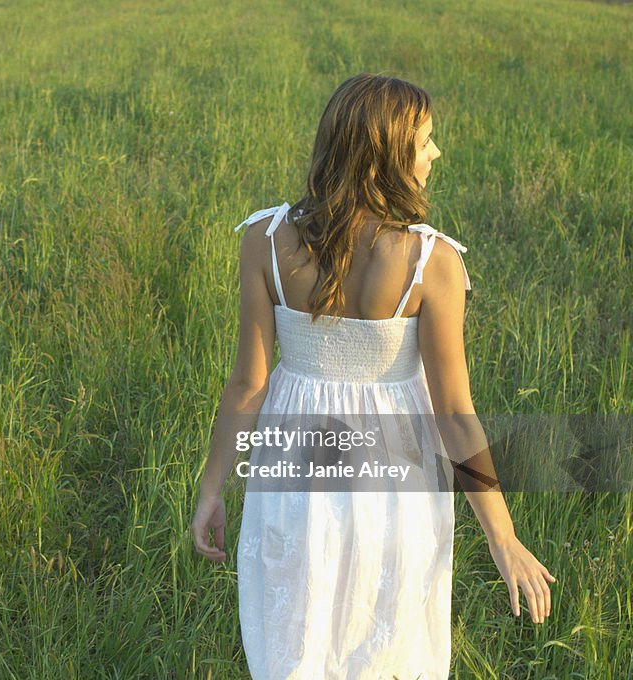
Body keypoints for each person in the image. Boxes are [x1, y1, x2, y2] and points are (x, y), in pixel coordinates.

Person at [190, 74, 556, 679]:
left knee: (297, 641)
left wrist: (213, 486)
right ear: (388, 156)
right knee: (388, 645)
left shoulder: (266, 239)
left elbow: (246, 385)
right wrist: (502, 535)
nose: (436, 153)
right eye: (426, 140)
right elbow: (454, 414)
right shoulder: (430, 263)